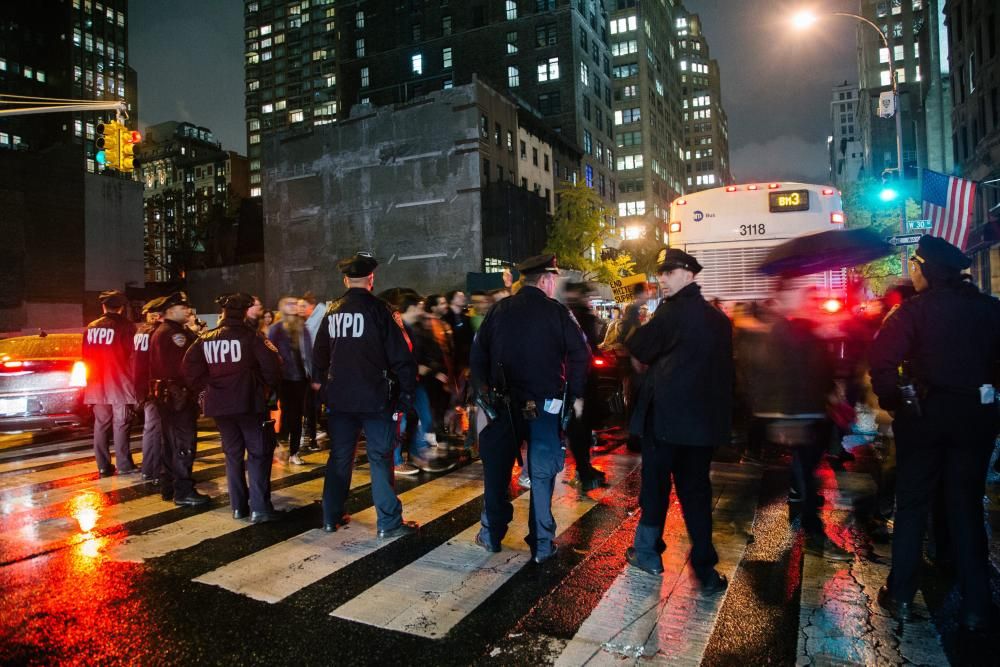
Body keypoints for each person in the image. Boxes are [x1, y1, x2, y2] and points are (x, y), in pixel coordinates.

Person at [869, 235, 1000, 629]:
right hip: (975, 420)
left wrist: (898, 403)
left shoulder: (912, 312)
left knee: (912, 505)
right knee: (966, 506)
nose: (913, 273)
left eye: (915, 266)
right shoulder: (991, 310)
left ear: (926, 269)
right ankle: (977, 605)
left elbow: (881, 365)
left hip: (924, 420)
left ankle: (902, 595)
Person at [623, 248, 731, 592]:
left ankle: (647, 553)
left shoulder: (670, 313)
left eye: (669, 272)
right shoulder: (718, 319)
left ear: (688, 274)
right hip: (701, 427)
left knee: (655, 488)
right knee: (697, 495)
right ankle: (705, 569)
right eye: (661, 273)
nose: (662, 279)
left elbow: (638, 347)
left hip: (665, 423)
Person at [471, 254, 591, 563]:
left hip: (502, 405)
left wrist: (483, 392)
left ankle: (491, 534)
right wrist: (574, 394)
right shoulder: (557, 312)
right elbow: (581, 353)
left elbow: (477, 354)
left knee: (496, 473)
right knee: (541, 475)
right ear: (547, 280)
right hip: (544, 407)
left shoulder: (498, 310)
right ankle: (541, 543)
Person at [311, 252, 419, 537]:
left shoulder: (332, 311)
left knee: (340, 456)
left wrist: (323, 386)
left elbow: (319, 355)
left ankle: (330, 516)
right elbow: (402, 356)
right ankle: (388, 522)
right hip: (376, 398)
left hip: (340, 398)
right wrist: (407, 393)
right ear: (372, 279)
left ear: (346, 280)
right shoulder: (382, 310)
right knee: (380, 457)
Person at [745, 283, 851, 560]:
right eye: (796, 294)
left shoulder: (803, 327)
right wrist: (779, 414)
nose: (804, 299)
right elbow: (772, 374)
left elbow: (820, 366)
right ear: (783, 298)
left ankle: (801, 511)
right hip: (797, 413)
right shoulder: (781, 331)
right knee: (806, 473)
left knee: (806, 471)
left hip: (813, 411)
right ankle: (813, 531)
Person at [184, 293, 283, 523]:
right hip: (249, 404)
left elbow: (189, 367)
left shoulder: (206, 338)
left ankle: (238, 506)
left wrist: (206, 389)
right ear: (245, 312)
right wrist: (266, 389)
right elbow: (273, 368)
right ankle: (260, 508)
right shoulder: (252, 337)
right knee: (258, 454)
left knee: (232, 455)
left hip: (219, 405)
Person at [150, 291, 209, 506]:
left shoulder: (164, 330)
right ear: (170, 311)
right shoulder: (174, 334)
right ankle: (183, 490)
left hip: (169, 396)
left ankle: (169, 486)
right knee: (183, 443)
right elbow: (184, 368)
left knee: (170, 443)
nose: (188, 311)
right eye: (182, 307)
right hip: (179, 396)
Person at [83, 290, 138, 477]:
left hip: (97, 384)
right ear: (121, 308)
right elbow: (133, 356)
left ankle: (103, 466)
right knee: (121, 424)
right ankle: (124, 464)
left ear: (103, 306)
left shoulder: (91, 327)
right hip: (120, 384)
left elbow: (85, 357)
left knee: (101, 424)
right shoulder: (127, 327)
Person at [563, 281, 608, 491]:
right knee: (579, 427)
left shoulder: (577, 315)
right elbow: (579, 353)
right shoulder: (573, 317)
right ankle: (583, 469)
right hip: (579, 383)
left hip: (585, 381)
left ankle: (584, 467)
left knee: (583, 426)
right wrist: (577, 392)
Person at [269, 296, 312, 465]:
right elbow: (270, 353)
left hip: (301, 378)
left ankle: (294, 451)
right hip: (283, 378)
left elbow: (308, 353)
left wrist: (314, 376)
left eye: (295, 303)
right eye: (289, 304)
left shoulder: (303, 328)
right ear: (282, 307)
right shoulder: (277, 329)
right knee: (287, 413)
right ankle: (278, 443)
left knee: (297, 415)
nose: (294, 306)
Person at [133, 296, 167, 483]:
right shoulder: (156, 333)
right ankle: (154, 470)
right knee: (155, 429)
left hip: (143, 386)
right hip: (154, 387)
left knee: (151, 428)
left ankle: (150, 468)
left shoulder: (140, 332)